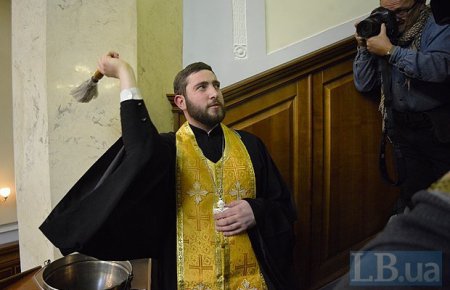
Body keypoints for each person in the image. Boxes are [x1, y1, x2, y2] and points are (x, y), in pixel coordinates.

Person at [39, 52, 297, 289]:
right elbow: (140, 149)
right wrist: (124, 72)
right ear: (180, 101)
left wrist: (256, 210)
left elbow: (285, 207)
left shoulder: (251, 146)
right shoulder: (167, 148)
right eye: (202, 87)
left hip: (251, 280)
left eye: (216, 85)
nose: (214, 93)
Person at [353, 0, 450, 214]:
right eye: (387, 12)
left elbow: (439, 68)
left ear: (418, 5)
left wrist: (391, 51)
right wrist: (364, 48)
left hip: (438, 131)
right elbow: (364, 83)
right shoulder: (384, 32)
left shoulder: (438, 25)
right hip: (403, 131)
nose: (392, 18)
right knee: (414, 199)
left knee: (445, 201)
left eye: (400, 12)